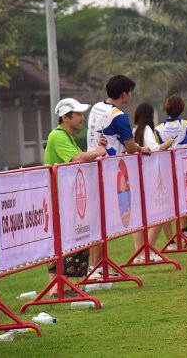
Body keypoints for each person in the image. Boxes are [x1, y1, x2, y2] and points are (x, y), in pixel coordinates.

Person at [86, 75, 151, 275]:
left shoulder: (96, 107)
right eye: (130, 92)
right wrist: (141, 149)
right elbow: (130, 147)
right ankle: (97, 270)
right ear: (124, 94)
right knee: (101, 223)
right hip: (107, 172)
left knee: (97, 222)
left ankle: (95, 267)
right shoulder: (119, 116)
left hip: (91, 167)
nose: (130, 95)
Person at [45, 98, 108, 297]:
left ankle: (60, 288)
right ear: (65, 117)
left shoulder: (67, 137)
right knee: (60, 243)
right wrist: (97, 151)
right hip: (58, 199)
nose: (82, 118)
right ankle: (57, 288)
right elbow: (77, 158)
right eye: (78, 114)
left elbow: (81, 157)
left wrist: (96, 152)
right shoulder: (58, 136)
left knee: (68, 242)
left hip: (66, 199)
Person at [155, 95, 187, 237]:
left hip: (164, 171)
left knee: (166, 205)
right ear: (182, 109)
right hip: (183, 170)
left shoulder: (158, 129)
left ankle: (171, 240)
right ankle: (184, 230)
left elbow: (155, 148)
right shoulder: (186, 125)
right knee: (184, 200)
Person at [132, 103, 174, 260]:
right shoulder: (147, 130)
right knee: (160, 214)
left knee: (139, 218)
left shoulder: (134, 131)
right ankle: (147, 251)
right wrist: (167, 144)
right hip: (151, 177)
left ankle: (139, 253)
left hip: (137, 177)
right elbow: (153, 148)